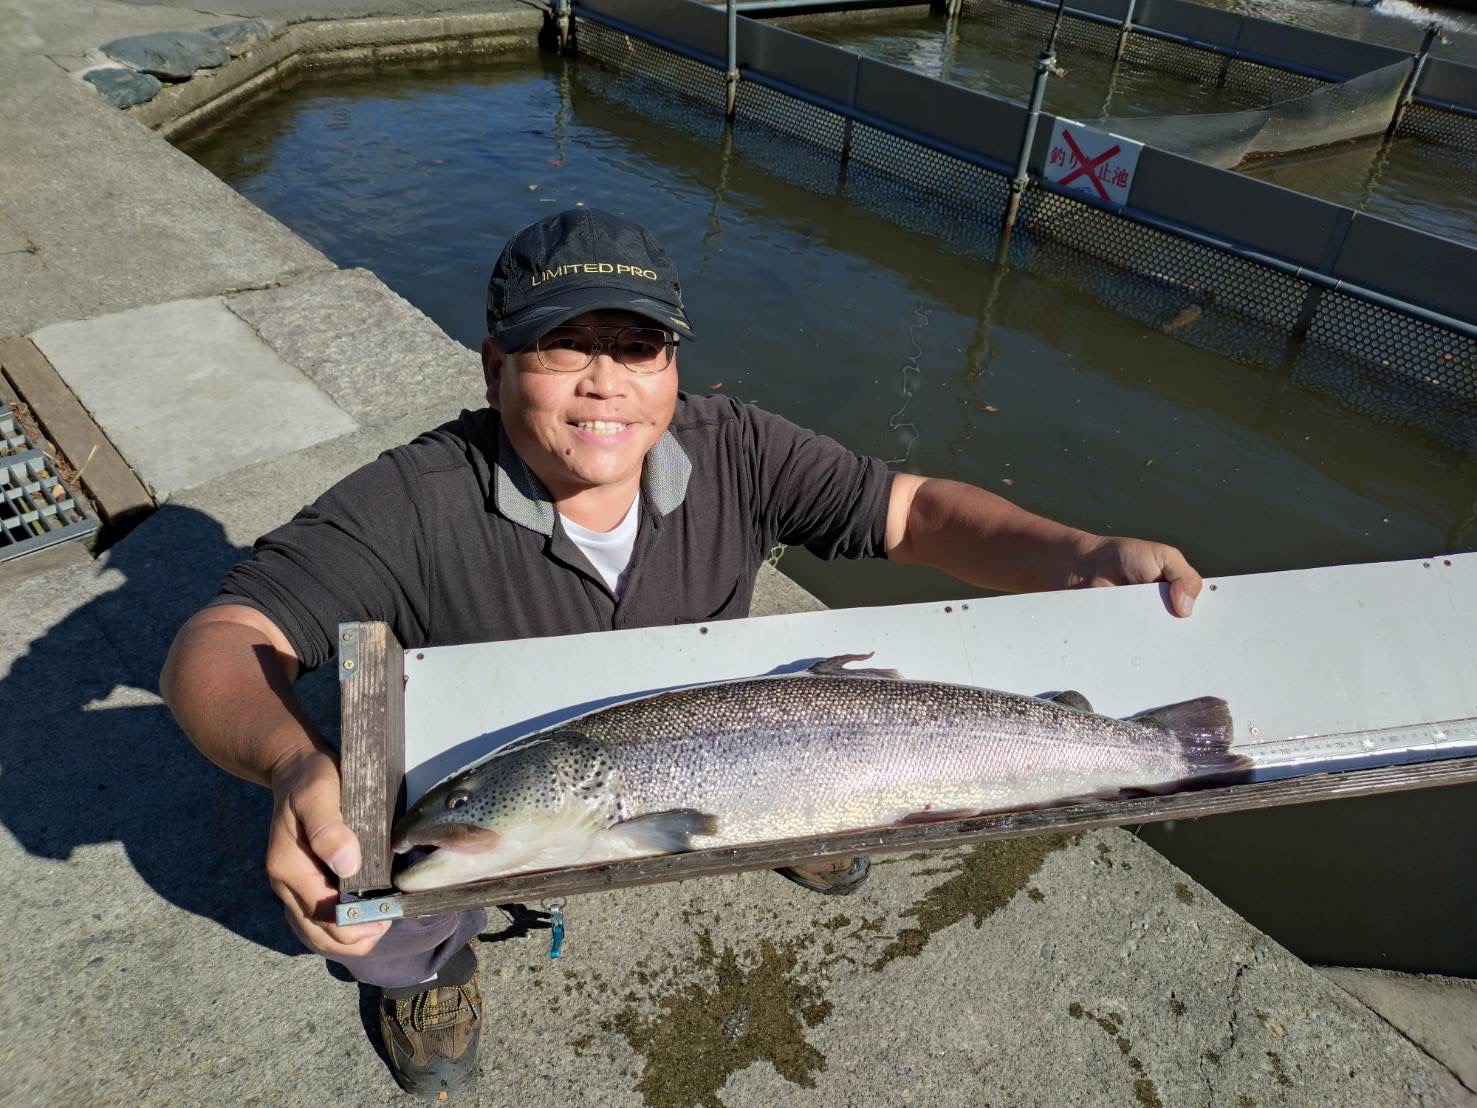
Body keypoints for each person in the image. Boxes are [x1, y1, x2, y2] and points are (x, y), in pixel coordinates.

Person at [160, 208, 1202, 1098]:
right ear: (494, 365)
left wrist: (1075, 554)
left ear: (672, 365)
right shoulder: (410, 500)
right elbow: (219, 640)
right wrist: (297, 763)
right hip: (482, 764)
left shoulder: (737, 445)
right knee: (385, 871)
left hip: (735, 726)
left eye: (637, 346)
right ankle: (427, 968)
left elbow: (913, 509)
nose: (605, 383)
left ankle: (795, 813)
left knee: (842, 771)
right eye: (564, 346)